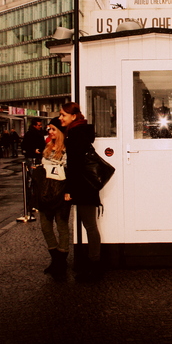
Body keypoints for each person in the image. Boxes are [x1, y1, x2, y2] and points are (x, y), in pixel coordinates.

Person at [60, 102, 103, 281]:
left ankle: (95, 267)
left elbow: (75, 166)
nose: (60, 118)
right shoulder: (80, 132)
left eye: (63, 115)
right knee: (89, 225)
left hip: (83, 186)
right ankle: (93, 265)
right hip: (86, 184)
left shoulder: (76, 134)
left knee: (90, 226)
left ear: (73, 116)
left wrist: (69, 189)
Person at [36, 117, 71, 277]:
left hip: (60, 192)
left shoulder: (67, 149)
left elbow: (71, 172)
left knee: (62, 226)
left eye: (53, 129)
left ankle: (60, 262)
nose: (50, 132)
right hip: (45, 193)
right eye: (49, 129)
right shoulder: (48, 147)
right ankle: (56, 259)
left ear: (60, 132)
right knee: (45, 226)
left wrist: (68, 191)